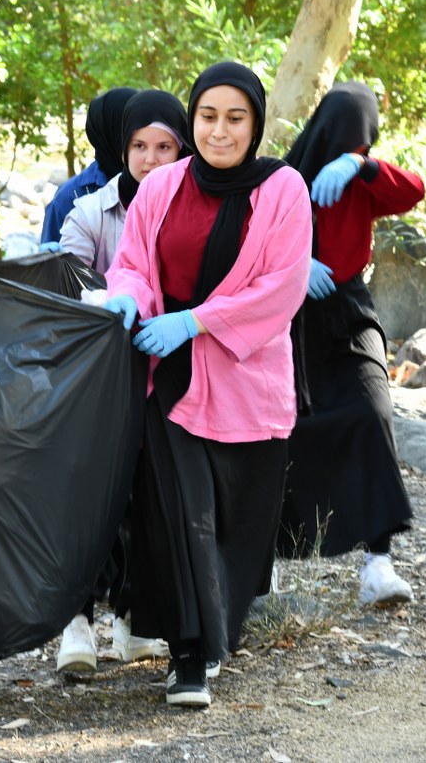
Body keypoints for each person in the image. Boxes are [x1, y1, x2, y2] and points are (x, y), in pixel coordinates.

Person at [102, 62, 311, 708]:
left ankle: (216, 632)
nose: (219, 130)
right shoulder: (162, 186)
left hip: (246, 380)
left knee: (235, 527)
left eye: (235, 117)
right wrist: (128, 300)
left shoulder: (282, 189)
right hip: (170, 379)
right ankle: (187, 655)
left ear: (255, 123)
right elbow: (134, 262)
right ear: (193, 121)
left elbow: (280, 286)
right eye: (208, 116)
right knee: (176, 515)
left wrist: (195, 321)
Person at [52, 89, 189, 673]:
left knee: (150, 500)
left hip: (171, 374)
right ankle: (75, 623)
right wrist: (112, 300)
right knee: (89, 494)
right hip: (101, 374)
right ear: (123, 148)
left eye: (164, 146)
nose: (151, 158)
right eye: (139, 146)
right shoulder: (88, 210)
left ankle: (132, 620)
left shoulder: (198, 207)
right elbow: (64, 277)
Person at [278, 81, 425, 606]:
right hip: (284, 309)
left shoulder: (360, 174)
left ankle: (378, 562)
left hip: (346, 303)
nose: (354, 147)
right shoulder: (282, 176)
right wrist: (294, 265)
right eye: (347, 139)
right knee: (281, 429)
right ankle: (262, 564)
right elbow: (246, 236)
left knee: (371, 410)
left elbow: (412, 191)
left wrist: (363, 167)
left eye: (363, 141)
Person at [39, 87, 137, 245]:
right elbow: (51, 265)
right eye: (128, 129)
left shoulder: (160, 184)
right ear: (109, 132)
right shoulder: (71, 197)